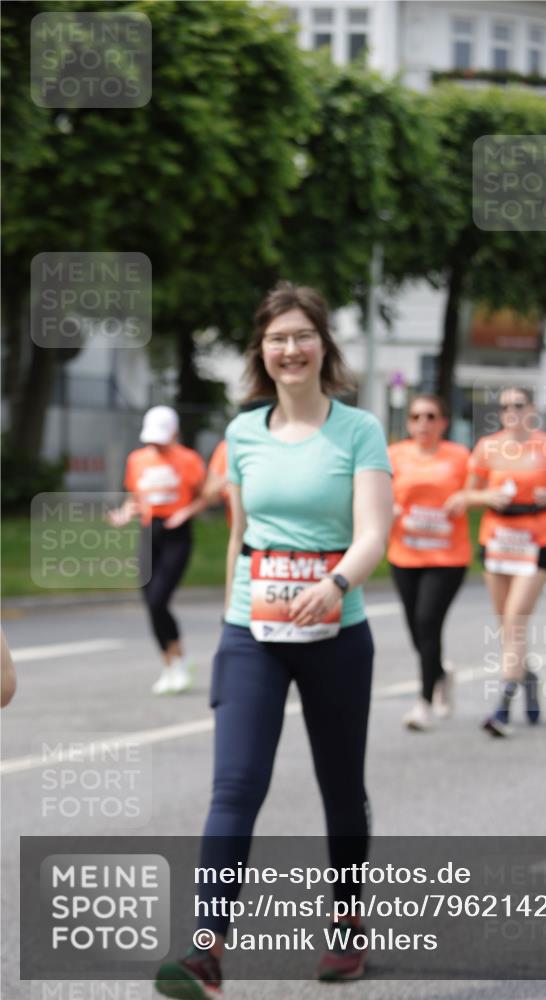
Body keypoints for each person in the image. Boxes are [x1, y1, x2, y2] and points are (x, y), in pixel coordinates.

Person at [155, 283, 393, 997]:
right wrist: (226, 631)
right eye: (275, 339)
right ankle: (205, 951)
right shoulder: (242, 432)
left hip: (336, 632)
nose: (289, 349)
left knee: (340, 788)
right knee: (233, 788)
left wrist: (338, 584)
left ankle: (347, 926)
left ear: (323, 344)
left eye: (301, 335)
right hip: (252, 632)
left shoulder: (359, 430)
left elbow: (374, 531)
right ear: (261, 352)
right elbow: (238, 535)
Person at [463, 387, 546, 737]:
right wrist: (487, 495)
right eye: (504, 406)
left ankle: (501, 708)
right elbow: (467, 495)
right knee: (507, 627)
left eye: (518, 405)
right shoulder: (487, 447)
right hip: (498, 541)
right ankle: (528, 678)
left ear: (532, 409)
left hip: (536, 542)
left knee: (515, 622)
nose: (511, 412)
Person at [107, 406, 205, 695]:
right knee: (149, 600)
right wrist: (125, 513)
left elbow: (206, 495)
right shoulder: (137, 459)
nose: (155, 444)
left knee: (159, 600)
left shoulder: (189, 460)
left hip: (177, 533)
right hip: (149, 532)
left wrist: (186, 512)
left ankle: (181, 660)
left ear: (174, 434)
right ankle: (170, 664)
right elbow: (134, 497)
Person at [388, 395, 471, 731]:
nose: (423, 423)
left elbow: (479, 489)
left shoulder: (459, 456)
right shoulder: (395, 455)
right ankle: (439, 673)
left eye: (431, 416)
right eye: (416, 416)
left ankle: (423, 703)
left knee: (427, 620)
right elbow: (377, 490)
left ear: (443, 422)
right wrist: (387, 507)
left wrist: (465, 497)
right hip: (405, 553)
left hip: (447, 556)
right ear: (408, 423)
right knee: (415, 629)